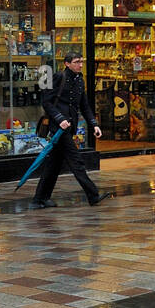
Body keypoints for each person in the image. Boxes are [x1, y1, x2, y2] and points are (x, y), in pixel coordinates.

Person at [31, 52, 112, 209]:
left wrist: (94, 124)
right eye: (76, 62)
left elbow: (84, 105)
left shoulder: (79, 80)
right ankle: (93, 195)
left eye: (81, 62)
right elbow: (46, 102)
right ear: (67, 64)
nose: (80, 65)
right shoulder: (58, 77)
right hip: (59, 128)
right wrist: (60, 119)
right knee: (76, 162)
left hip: (70, 127)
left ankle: (40, 198)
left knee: (53, 165)